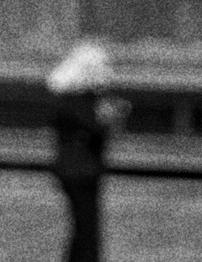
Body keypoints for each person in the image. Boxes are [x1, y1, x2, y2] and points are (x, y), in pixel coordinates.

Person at [46, 41, 125, 262]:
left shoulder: (68, 98)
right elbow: (97, 128)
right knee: (87, 227)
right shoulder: (77, 100)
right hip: (80, 171)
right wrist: (111, 116)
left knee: (83, 226)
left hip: (76, 169)